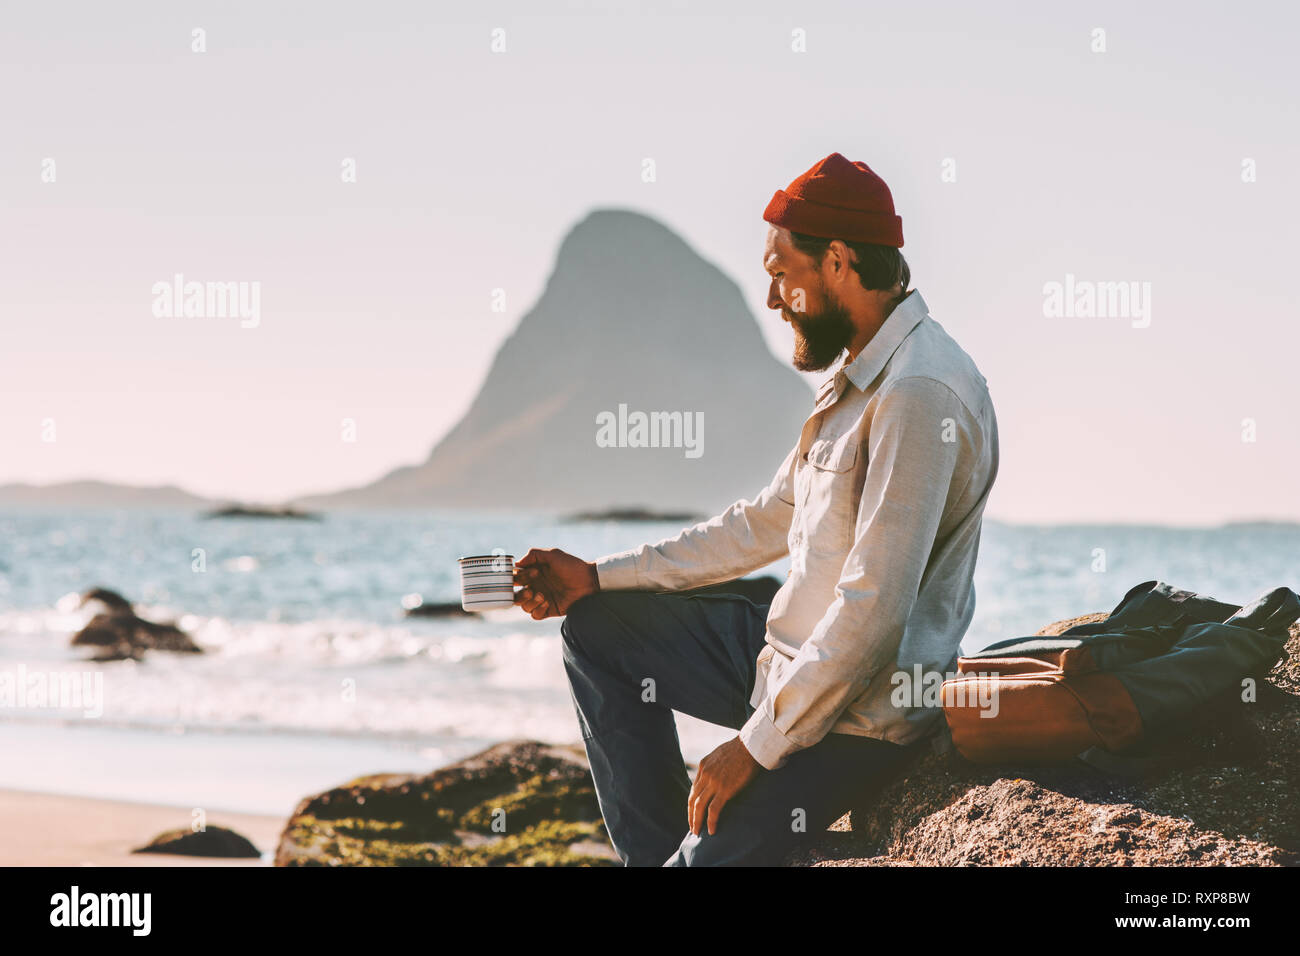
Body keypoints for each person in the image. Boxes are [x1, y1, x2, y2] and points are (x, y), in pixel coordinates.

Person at [514, 152, 1000, 866]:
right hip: (786, 663)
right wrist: (598, 575)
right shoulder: (861, 377)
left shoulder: (919, 394)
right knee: (597, 628)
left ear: (837, 261)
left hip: (856, 717)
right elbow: (769, 519)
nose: (774, 299)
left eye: (782, 273)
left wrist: (753, 746)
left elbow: (875, 609)